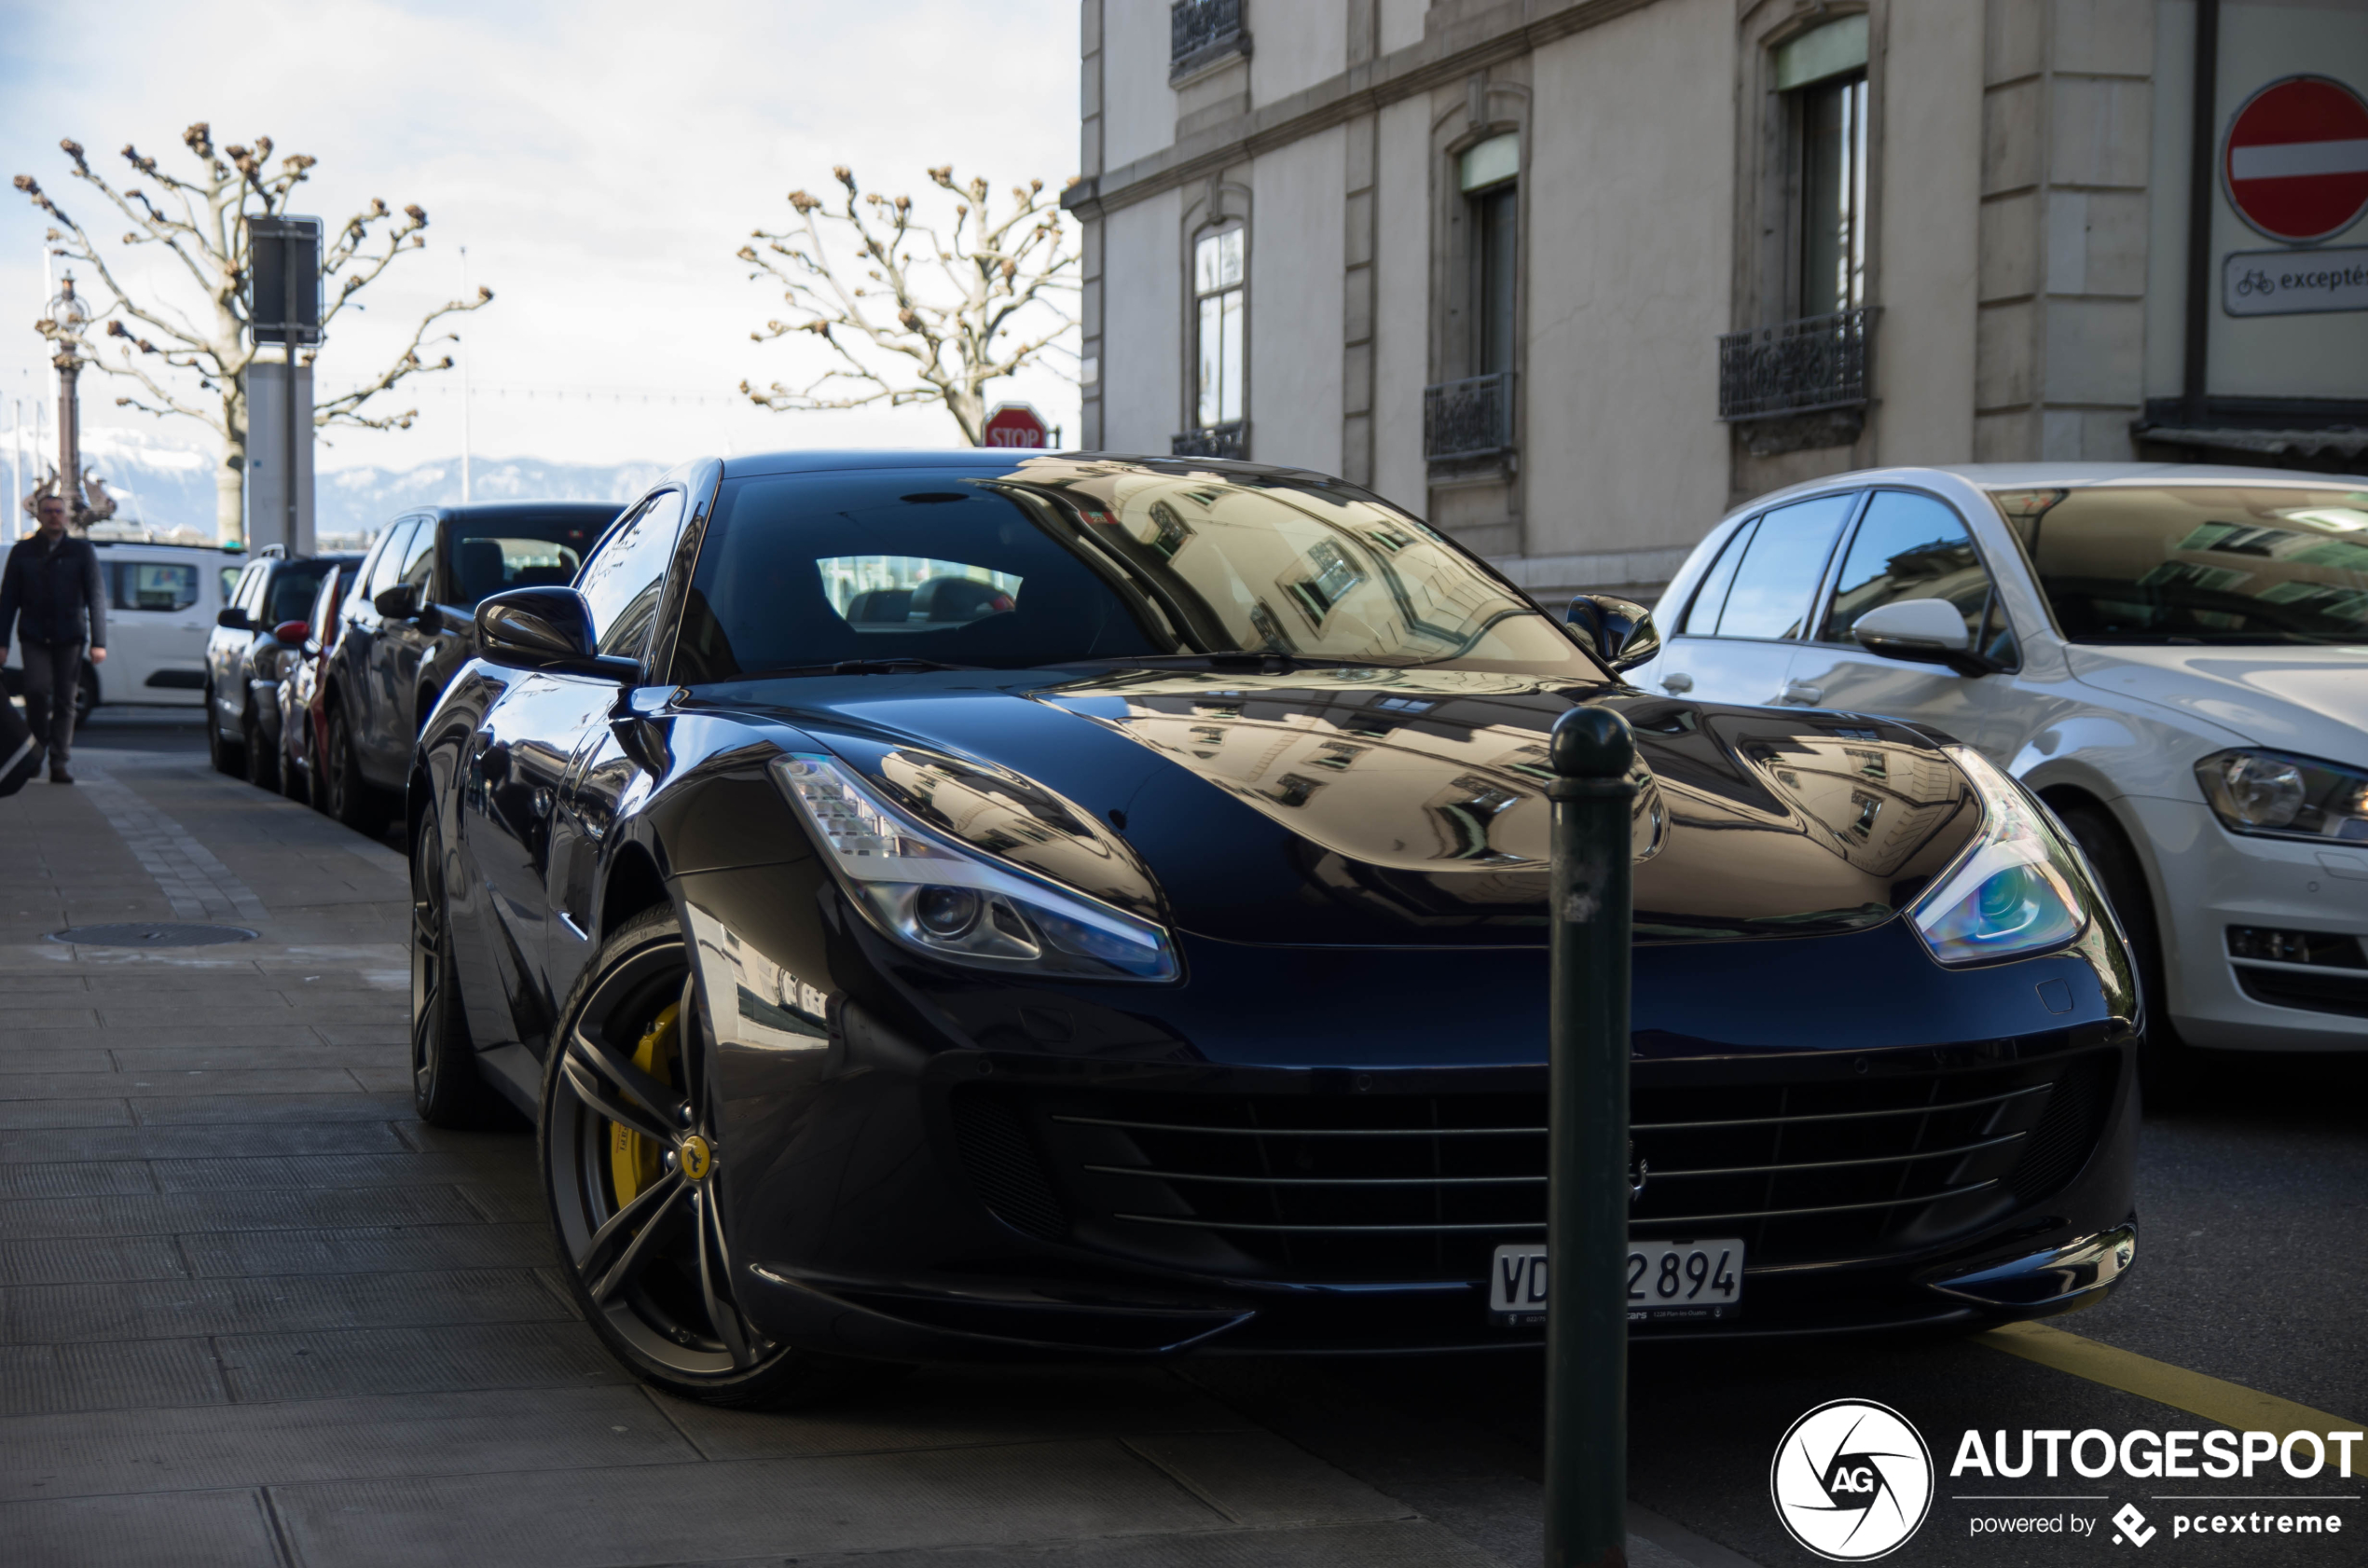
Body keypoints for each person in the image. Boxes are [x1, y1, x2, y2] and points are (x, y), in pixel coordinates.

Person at [0, 494, 108, 784]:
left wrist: (100, 642)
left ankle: (59, 761)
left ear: (66, 516)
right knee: (35, 692)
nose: (53, 516)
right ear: (39, 515)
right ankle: (35, 754)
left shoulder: (81, 551)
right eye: (48, 511)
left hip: (70, 637)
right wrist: (2, 642)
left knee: (65, 700)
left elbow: (96, 598)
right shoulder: (22, 551)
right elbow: (8, 599)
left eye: (58, 511)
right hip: (34, 635)